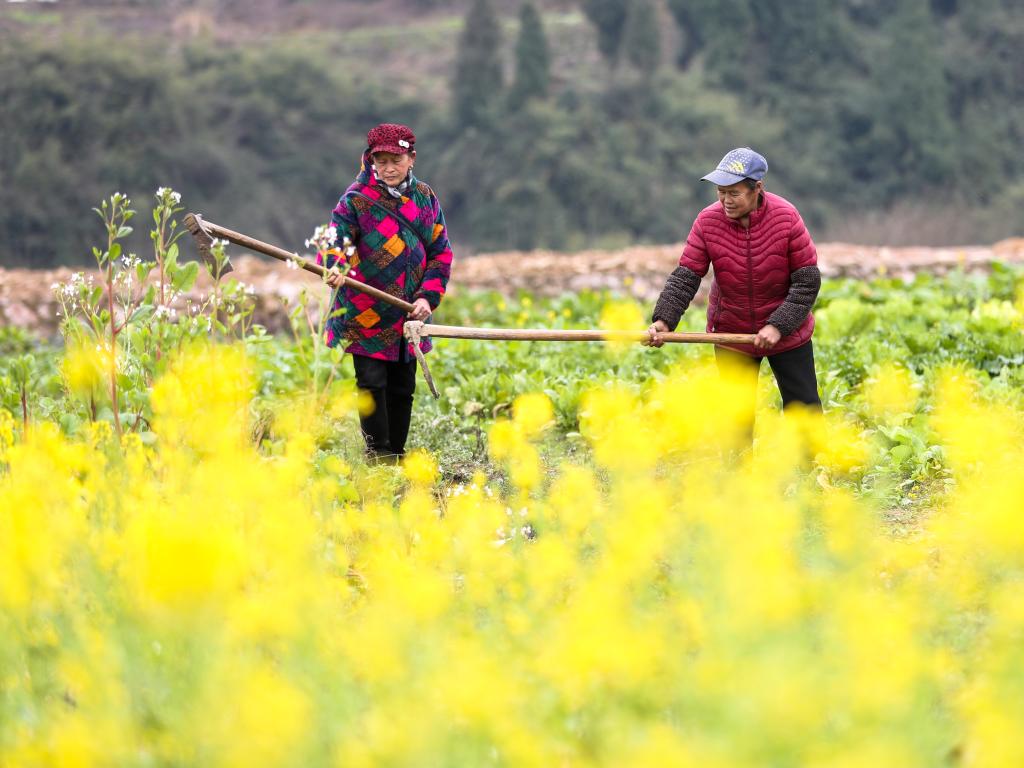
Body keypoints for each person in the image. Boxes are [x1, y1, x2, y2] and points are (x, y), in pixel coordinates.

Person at [644, 147, 822, 429]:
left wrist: (777, 326)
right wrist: (664, 320)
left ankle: (814, 471)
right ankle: (738, 472)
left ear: (757, 188)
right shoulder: (707, 221)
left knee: (804, 409)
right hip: (731, 330)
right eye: (721, 191)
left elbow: (807, 281)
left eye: (734, 193)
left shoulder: (786, 217)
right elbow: (687, 275)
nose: (726, 200)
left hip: (787, 332)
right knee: (734, 419)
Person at [319, 123, 454, 461]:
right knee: (371, 382)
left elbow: (440, 252)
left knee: (402, 387)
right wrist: (334, 264)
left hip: (410, 312)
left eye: (396, 160)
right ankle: (377, 454)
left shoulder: (424, 197)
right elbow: (336, 240)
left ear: (411, 158)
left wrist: (426, 297)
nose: (388, 168)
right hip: (364, 310)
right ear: (371, 160)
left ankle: (397, 452)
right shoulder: (356, 200)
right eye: (381, 161)